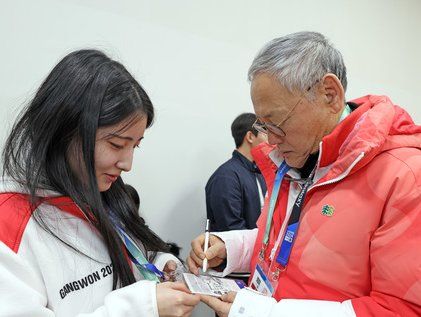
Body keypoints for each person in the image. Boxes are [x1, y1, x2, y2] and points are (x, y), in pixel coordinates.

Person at [188, 31, 421, 317]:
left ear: (330, 95)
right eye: (263, 125)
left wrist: (267, 313)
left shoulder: (405, 176)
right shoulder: (296, 160)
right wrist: (231, 247)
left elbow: (401, 309)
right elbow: (282, 244)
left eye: (277, 122)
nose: (271, 141)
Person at [0, 49, 200, 317]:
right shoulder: (10, 223)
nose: (127, 164)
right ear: (64, 130)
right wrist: (141, 309)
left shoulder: (101, 195)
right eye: (116, 144)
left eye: (135, 146)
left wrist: (159, 265)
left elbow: (127, 260)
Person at [206, 113, 267, 232]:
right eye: (265, 133)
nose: (272, 140)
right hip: (239, 249)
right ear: (250, 136)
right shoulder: (226, 177)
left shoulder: (258, 172)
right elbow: (232, 230)